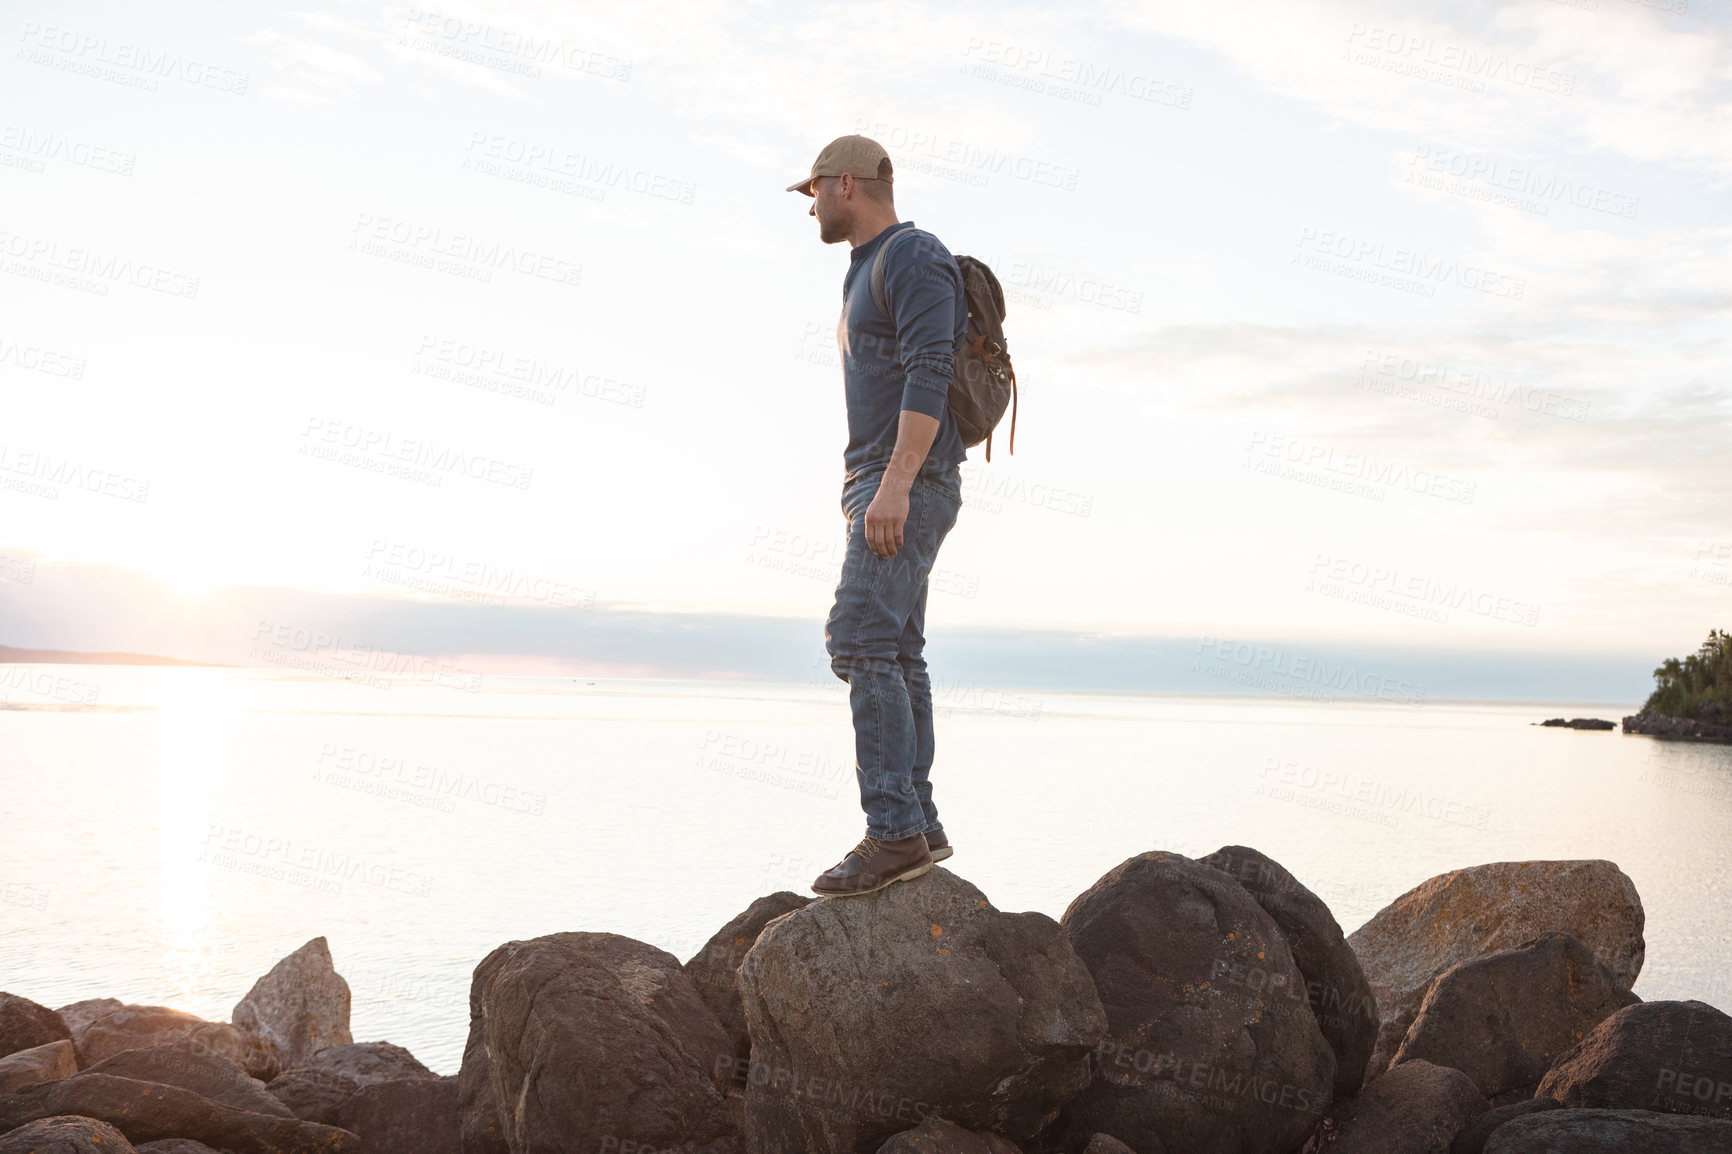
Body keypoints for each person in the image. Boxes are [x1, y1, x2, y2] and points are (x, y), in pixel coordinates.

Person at [787, 135, 968, 897]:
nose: (811, 204)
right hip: (881, 476)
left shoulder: (913, 256)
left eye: (815, 190)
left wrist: (894, 482)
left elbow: (930, 372)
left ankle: (892, 831)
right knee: (895, 649)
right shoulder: (863, 269)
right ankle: (918, 824)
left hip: (905, 478)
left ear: (849, 185)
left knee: (857, 639)